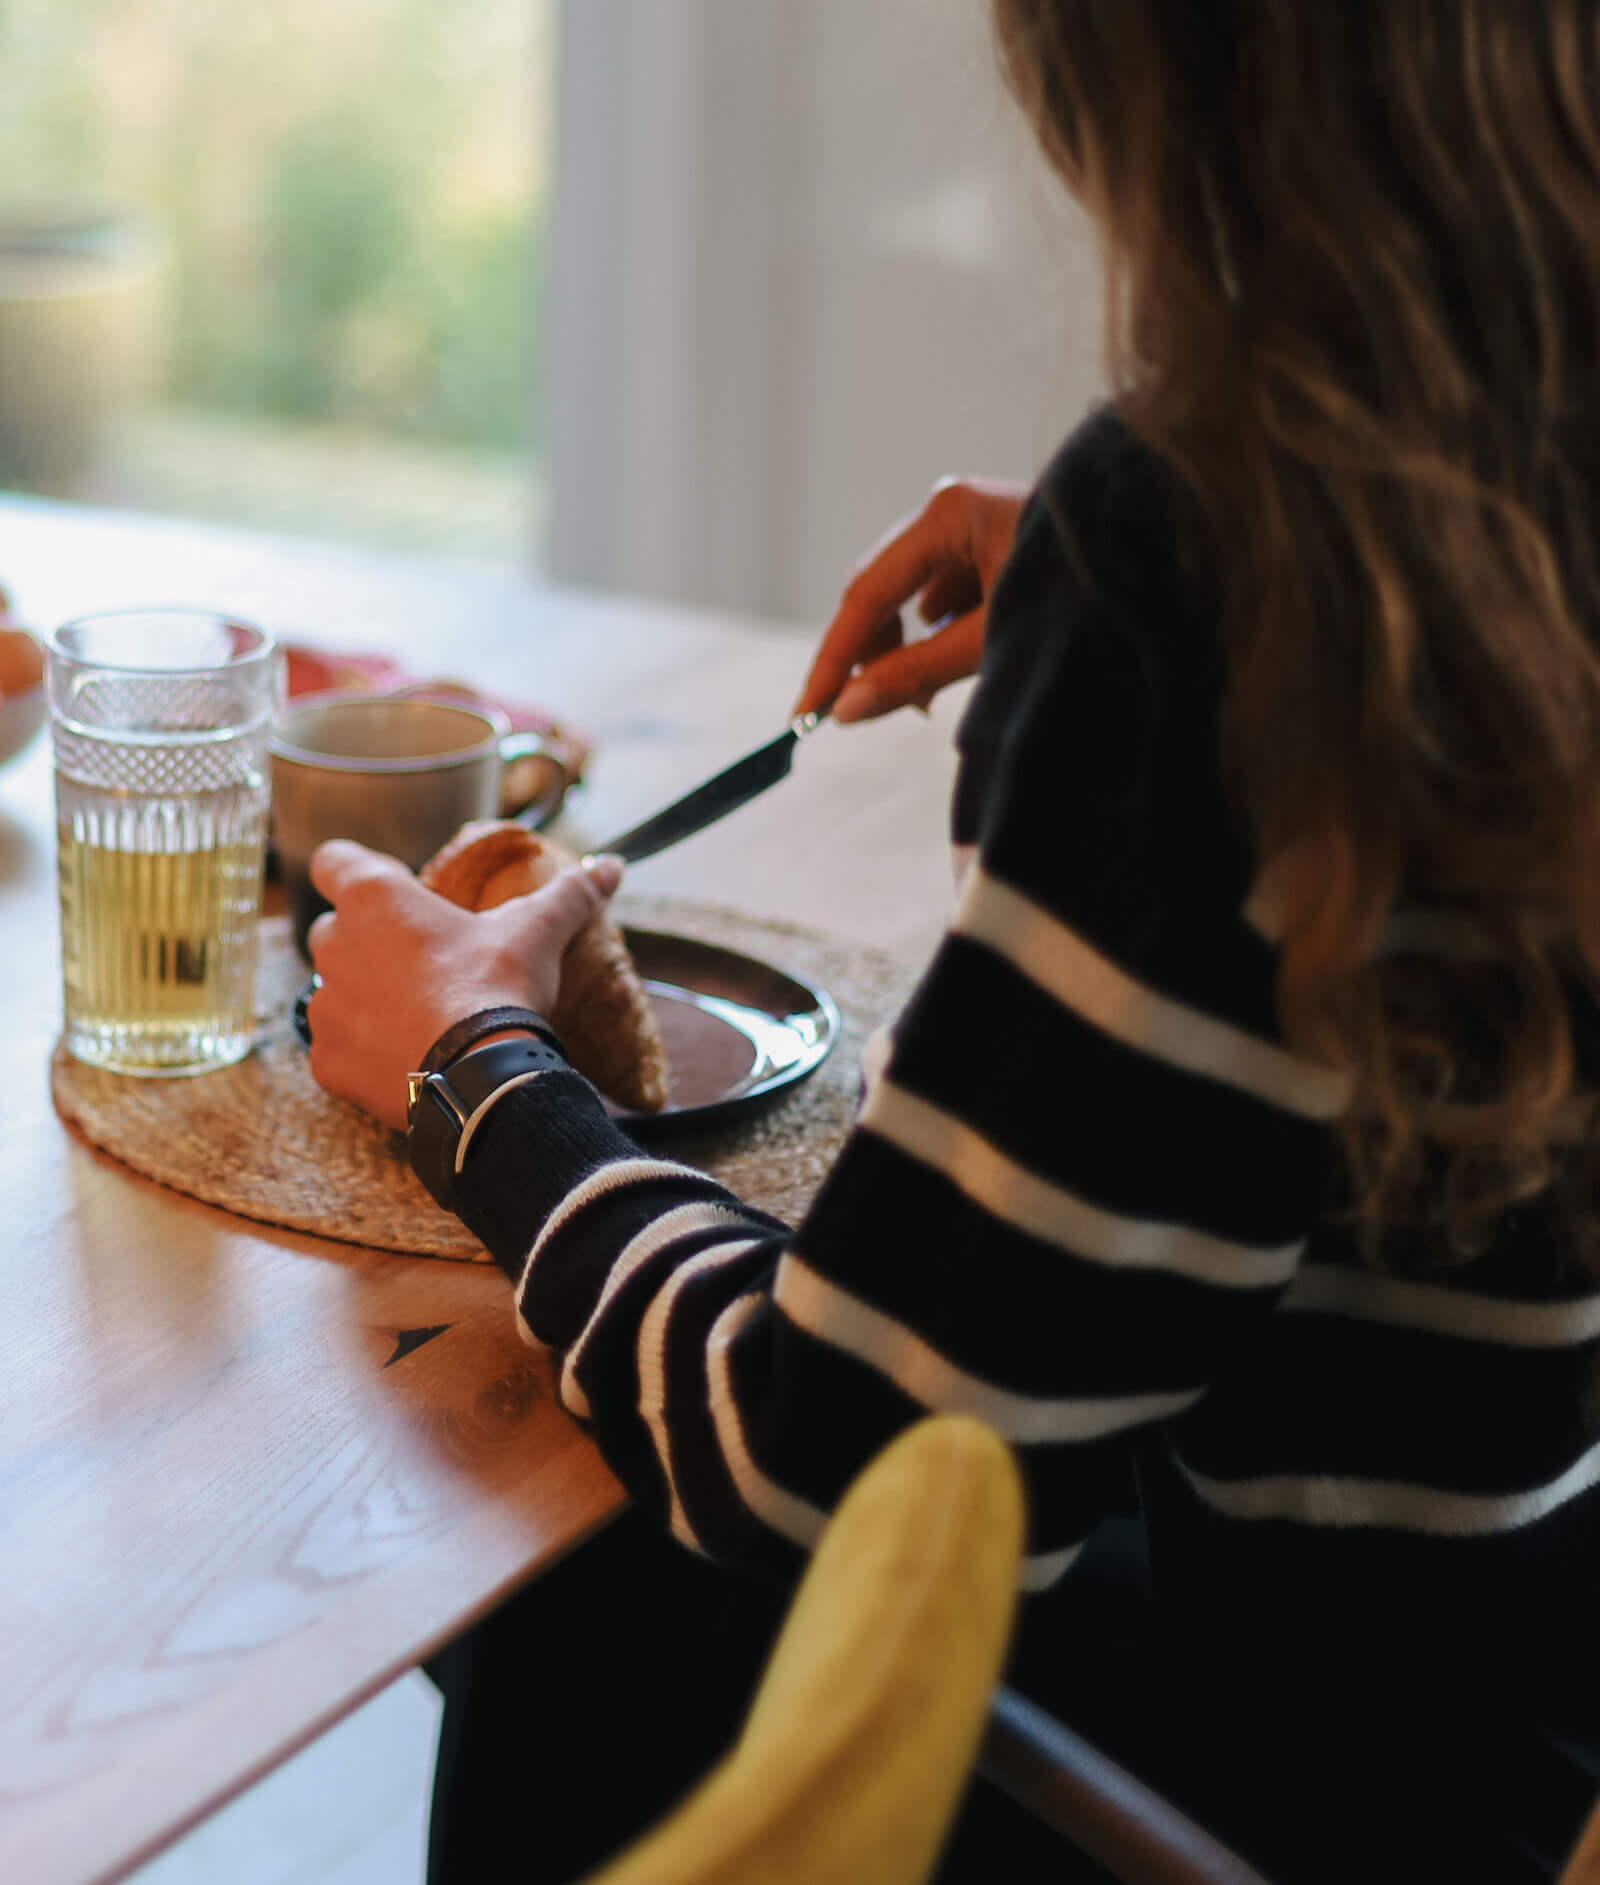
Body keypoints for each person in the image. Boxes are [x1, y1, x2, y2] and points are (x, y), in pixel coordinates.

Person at [303, 5, 1600, 1879]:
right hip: (1522, 1687)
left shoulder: (1216, 587)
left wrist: (473, 1071)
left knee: (576, 1595)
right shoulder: (1501, 491)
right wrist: (1191, 571)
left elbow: (812, 1477)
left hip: (1312, 1795)